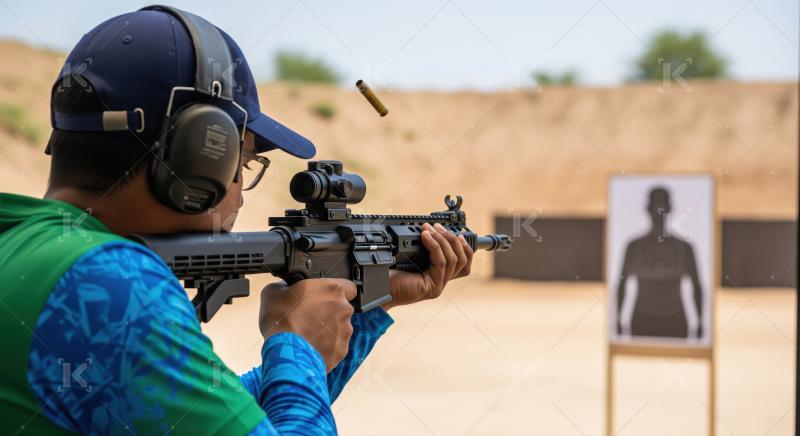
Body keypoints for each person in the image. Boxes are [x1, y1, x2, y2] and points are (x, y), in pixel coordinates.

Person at [0, 6, 472, 434]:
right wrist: (295, 345)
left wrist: (365, 306)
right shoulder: (112, 286)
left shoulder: (26, 245)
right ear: (197, 156)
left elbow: (226, 418)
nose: (240, 194)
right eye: (242, 164)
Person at [616, 187, 703, 339]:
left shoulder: (684, 249)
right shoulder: (634, 247)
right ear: (648, 209)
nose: (658, 211)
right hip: (642, 321)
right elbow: (621, 284)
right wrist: (617, 318)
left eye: (662, 206)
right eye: (655, 206)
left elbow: (697, 286)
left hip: (675, 322)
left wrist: (701, 321)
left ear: (669, 209)